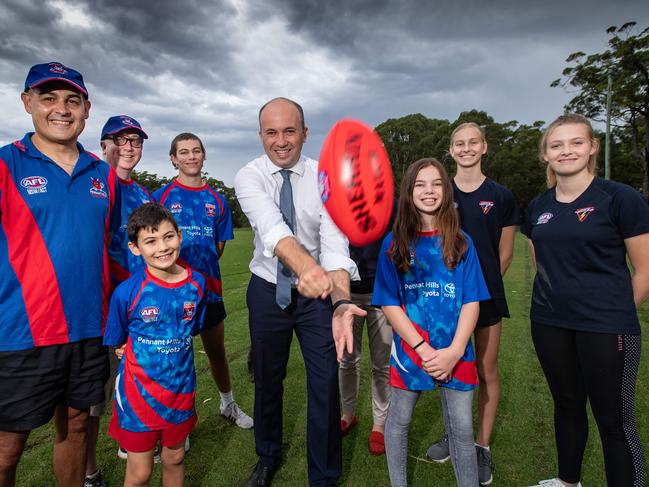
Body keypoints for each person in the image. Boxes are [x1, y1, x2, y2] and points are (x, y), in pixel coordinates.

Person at [234, 97, 364, 487]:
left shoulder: (324, 176)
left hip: (319, 296)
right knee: (268, 379)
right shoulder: (249, 176)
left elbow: (335, 242)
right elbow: (273, 230)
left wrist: (341, 302)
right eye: (271, 132)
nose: (281, 141)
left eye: (289, 131)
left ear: (305, 133)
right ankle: (268, 455)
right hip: (267, 289)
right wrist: (307, 268)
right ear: (261, 136)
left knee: (325, 380)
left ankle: (324, 475)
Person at [0, 62, 118, 487]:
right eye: (48, 98)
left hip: (89, 328)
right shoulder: (5, 164)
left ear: (86, 109)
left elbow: (114, 250)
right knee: (8, 449)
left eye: (72, 101)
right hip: (20, 333)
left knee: (78, 426)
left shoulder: (102, 173)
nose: (61, 110)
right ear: (27, 102)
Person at [521, 114, 649, 487]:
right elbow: (540, 261)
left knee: (614, 420)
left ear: (592, 147)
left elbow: (643, 271)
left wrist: (614, 314)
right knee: (567, 406)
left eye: (576, 142)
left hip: (606, 328)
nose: (566, 151)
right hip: (549, 323)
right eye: (557, 145)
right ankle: (568, 481)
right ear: (545, 154)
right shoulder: (538, 206)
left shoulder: (620, 198)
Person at [373, 158, 490, 487]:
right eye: (420, 184)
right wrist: (423, 349)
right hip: (411, 352)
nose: (429, 191)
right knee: (398, 422)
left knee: (463, 430)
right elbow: (390, 303)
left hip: (457, 352)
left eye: (436, 183)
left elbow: (471, 301)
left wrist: (453, 351)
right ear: (409, 192)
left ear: (446, 189)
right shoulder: (395, 243)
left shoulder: (462, 242)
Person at [426, 122, 518, 485]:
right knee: (449, 371)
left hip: (486, 299)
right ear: (451, 150)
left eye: (472, 142)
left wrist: (478, 291)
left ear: (484, 147)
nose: (466, 149)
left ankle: (481, 446)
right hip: (445, 301)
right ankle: (455, 436)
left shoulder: (501, 196)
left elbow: (505, 253)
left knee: (485, 369)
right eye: (459, 144)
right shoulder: (439, 194)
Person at [154, 133, 253, 430]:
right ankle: (177, 421)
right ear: (173, 158)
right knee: (175, 360)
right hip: (171, 293)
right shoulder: (160, 197)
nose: (191, 156)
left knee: (217, 353)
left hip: (209, 291)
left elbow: (217, 248)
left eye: (196, 151)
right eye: (183, 152)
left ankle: (228, 404)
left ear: (204, 155)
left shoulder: (218, 200)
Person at [104, 203, 206, 487]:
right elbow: (118, 340)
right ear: (135, 248)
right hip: (139, 398)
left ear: (180, 236)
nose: (162, 247)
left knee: (174, 459)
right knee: (140, 473)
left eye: (168, 236)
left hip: (180, 391)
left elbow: (192, 328)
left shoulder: (197, 283)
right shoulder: (127, 292)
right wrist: (124, 347)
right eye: (150, 241)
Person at [84, 115, 154, 487]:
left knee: (138, 382)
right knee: (94, 394)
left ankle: (137, 445)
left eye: (136, 141)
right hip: (97, 306)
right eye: (121, 140)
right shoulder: (90, 184)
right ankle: (89, 470)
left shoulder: (144, 195)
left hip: (137, 308)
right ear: (104, 144)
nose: (128, 147)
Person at [338, 199, 397, 456]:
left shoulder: (389, 202)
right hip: (347, 292)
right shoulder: (341, 197)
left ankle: (380, 424)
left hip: (381, 294)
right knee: (348, 360)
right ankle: (348, 414)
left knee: (381, 363)